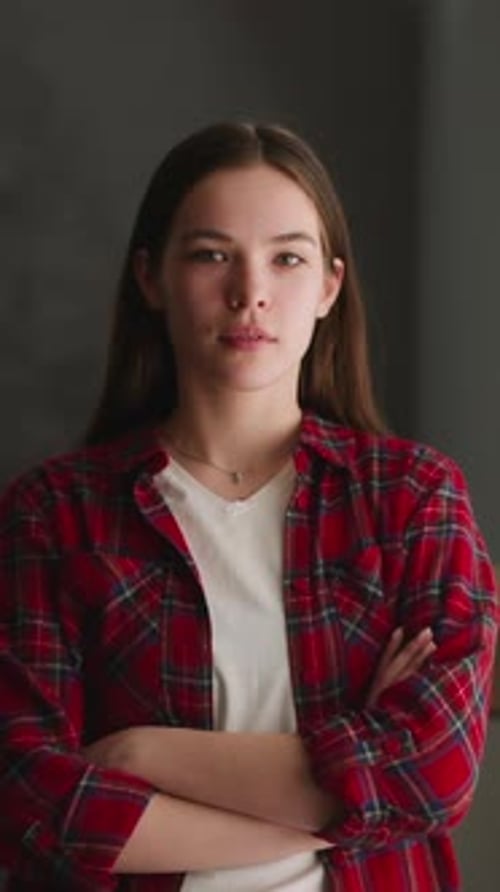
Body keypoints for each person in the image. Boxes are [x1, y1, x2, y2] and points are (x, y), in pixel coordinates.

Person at [0, 121, 497, 892]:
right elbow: (29, 799)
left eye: (287, 258)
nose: (250, 293)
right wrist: (347, 798)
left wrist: (139, 754)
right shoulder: (55, 514)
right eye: (211, 254)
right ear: (151, 278)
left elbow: (433, 775)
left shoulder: (411, 499)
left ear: (329, 286)